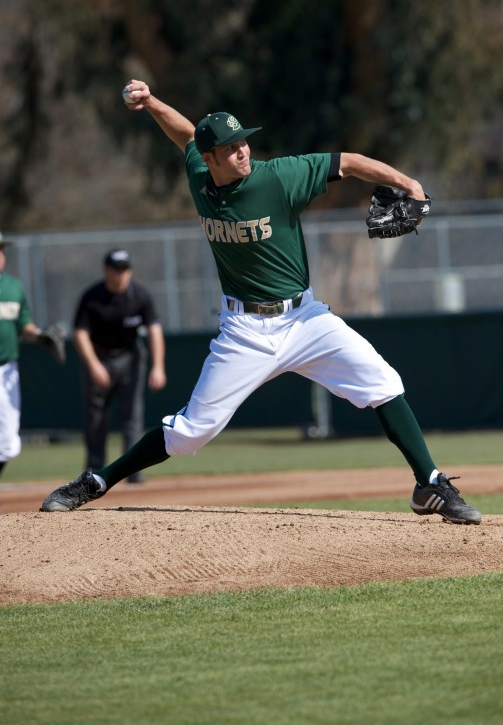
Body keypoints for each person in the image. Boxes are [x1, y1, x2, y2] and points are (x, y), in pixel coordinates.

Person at [40, 80, 482, 524]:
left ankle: (429, 483)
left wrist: (409, 182)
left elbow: (347, 162)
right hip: (244, 330)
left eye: (244, 142)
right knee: (192, 433)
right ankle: (96, 481)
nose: (243, 151)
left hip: (305, 319)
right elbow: (184, 135)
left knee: (382, 380)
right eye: (231, 148)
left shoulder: (279, 177)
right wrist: (153, 103)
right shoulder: (199, 172)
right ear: (210, 159)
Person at [73, 248, 167, 483]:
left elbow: (154, 330)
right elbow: (80, 333)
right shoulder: (92, 297)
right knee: (95, 418)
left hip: (130, 358)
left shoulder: (140, 296)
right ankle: (93, 472)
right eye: (116, 270)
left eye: (125, 270)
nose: (121, 275)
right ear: (106, 271)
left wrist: (158, 366)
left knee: (132, 416)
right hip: (99, 356)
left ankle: (133, 472)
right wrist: (94, 365)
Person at [0, 233, 60, 477]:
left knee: (8, 443)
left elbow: (25, 326)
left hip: (6, 371)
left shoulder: (13, 287)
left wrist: (41, 335)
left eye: (2, 250)